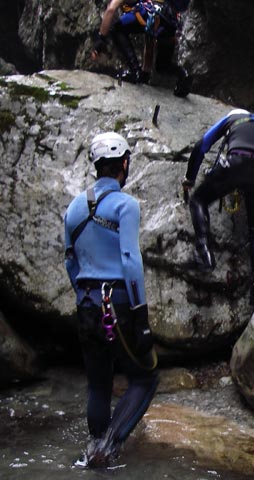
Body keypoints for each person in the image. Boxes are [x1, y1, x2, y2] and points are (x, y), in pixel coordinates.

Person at [64, 132, 158, 468]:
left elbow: (69, 261)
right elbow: (131, 260)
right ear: (124, 163)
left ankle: (93, 446)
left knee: (98, 385)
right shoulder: (125, 205)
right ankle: (106, 450)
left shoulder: (73, 208)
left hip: (86, 305)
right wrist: (141, 316)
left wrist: (82, 294)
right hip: (116, 305)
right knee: (146, 377)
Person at [181, 109, 254, 306]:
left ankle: (204, 253)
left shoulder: (231, 118)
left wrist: (190, 178)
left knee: (198, 200)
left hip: (236, 162)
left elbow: (202, 146)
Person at [92, 0, 192, 96]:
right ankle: (183, 74)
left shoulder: (145, 5)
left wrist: (101, 39)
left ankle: (134, 70)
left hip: (154, 14)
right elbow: (150, 36)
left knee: (117, 29)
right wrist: (145, 73)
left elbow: (111, 10)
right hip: (170, 20)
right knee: (162, 66)